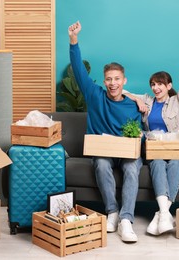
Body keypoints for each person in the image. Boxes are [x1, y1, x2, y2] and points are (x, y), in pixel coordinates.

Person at [68, 21, 143, 243]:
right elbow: (79, 71)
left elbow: (138, 133)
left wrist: (138, 136)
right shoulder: (95, 96)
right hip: (104, 152)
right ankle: (112, 212)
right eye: (109, 79)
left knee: (131, 168)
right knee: (100, 163)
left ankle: (126, 220)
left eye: (117, 79)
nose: (113, 83)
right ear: (104, 81)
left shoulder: (133, 105)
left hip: (127, 153)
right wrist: (74, 40)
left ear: (124, 81)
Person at [125, 36, 179, 235]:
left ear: (169, 86)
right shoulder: (148, 100)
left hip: (178, 151)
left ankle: (161, 214)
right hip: (156, 151)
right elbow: (124, 92)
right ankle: (164, 213)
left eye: (160, 84)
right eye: (153, 84)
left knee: (176, 163)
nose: (156, 87)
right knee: (158, 163)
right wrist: (137, 100)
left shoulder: (177, 102)